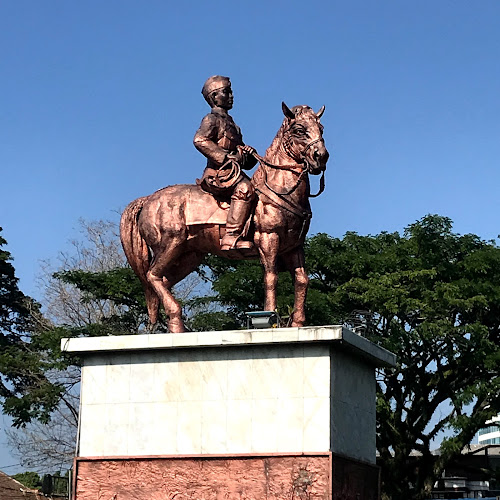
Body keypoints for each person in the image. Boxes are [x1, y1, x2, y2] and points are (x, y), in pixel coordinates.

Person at [193, 75, 257, 251]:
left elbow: (243, 160)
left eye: (231, 91)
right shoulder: (211, 119)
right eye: (226, 92)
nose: (231, 95)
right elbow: (200, 140)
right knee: (246, 188)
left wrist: (247, 154)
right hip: (218, 174)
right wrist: (225, 157)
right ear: (214, 97)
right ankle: (231, 236)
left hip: (234, 173)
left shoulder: (234, 126)